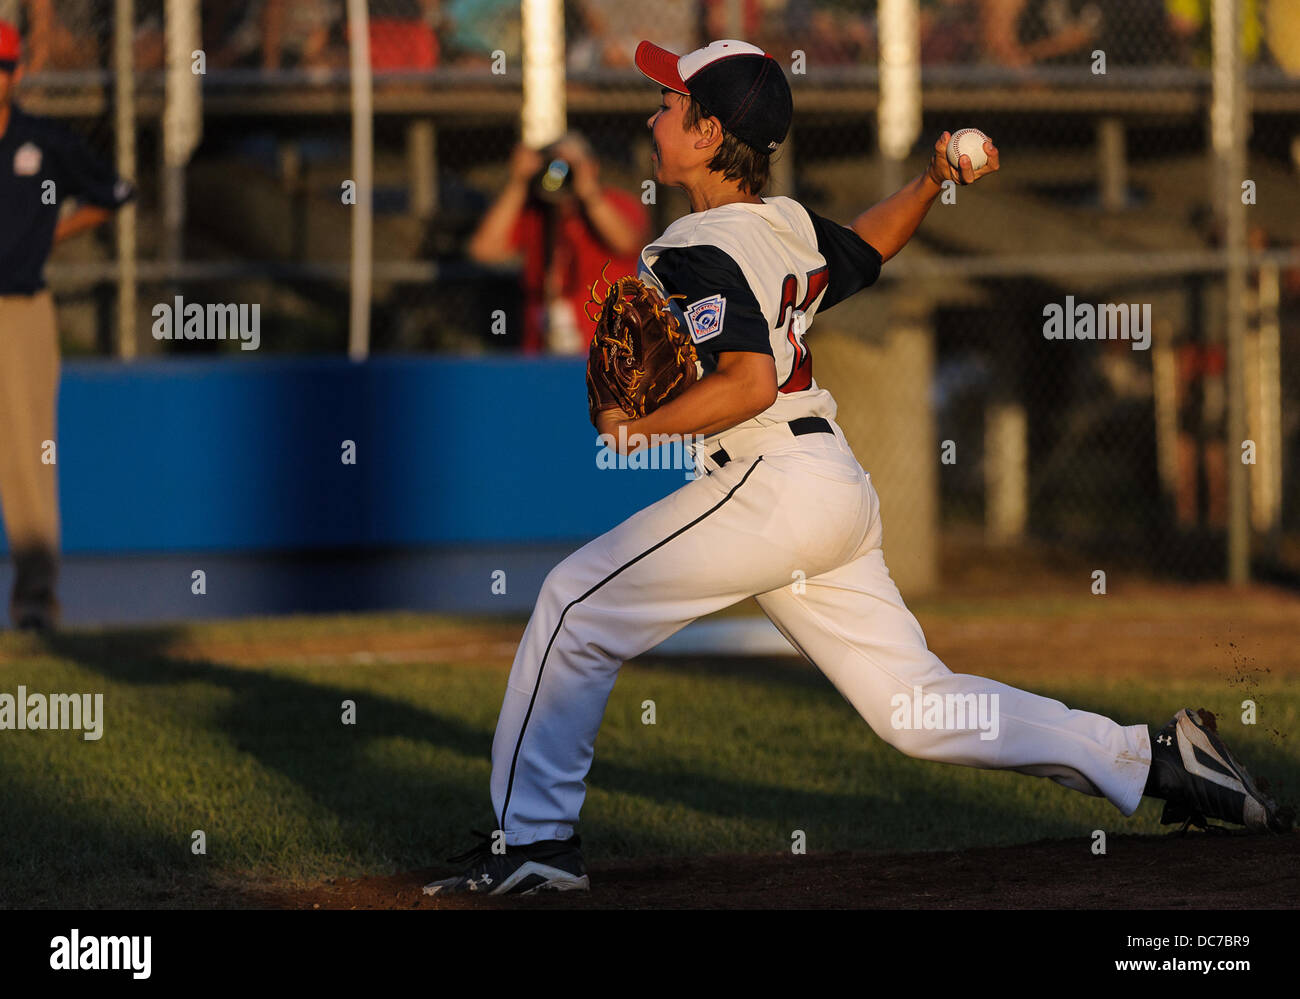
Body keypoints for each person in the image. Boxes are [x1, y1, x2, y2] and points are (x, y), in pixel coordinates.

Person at [425, 38, 1289, 896]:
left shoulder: (686, 248)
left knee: (573, 605)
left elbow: (747, 382)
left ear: (707, 132)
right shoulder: (786, 224)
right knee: (916, 706)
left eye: (669, 103)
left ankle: (534, 842)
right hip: (830, 488)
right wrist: (929, 182)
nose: (653, 113)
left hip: (767, 483)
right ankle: (1158, 758)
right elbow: (868, 247)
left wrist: (635, 426)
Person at [0, 20, 135, 632]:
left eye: (1, 67)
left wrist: (50, 230)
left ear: (17, 73)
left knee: (27, 454)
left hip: (18, 310)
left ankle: (33, 598)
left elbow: (113, 192)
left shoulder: (42, 140)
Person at [467, 133, 649, 354]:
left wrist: (588, 193)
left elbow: (626, 242)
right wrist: (518, 183)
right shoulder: (535, 212)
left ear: (591, 167)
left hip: (607, 348)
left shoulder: (615, 202)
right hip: (542, 347)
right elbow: (483, 250)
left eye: (568, 166)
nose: (560, 174)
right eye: (553, 166)